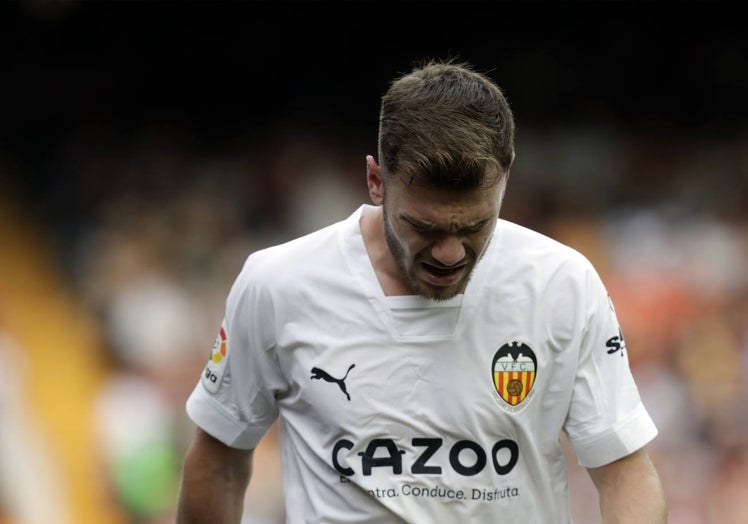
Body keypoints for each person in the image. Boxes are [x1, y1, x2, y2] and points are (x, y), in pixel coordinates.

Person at [176, 57, 667, 523]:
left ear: (505, 177)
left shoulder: (562, 283)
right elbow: (219, 460)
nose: (450, 253)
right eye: (424, 227)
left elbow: (625, 474)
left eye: (475, 226)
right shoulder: (277, 285)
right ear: (376, 181)